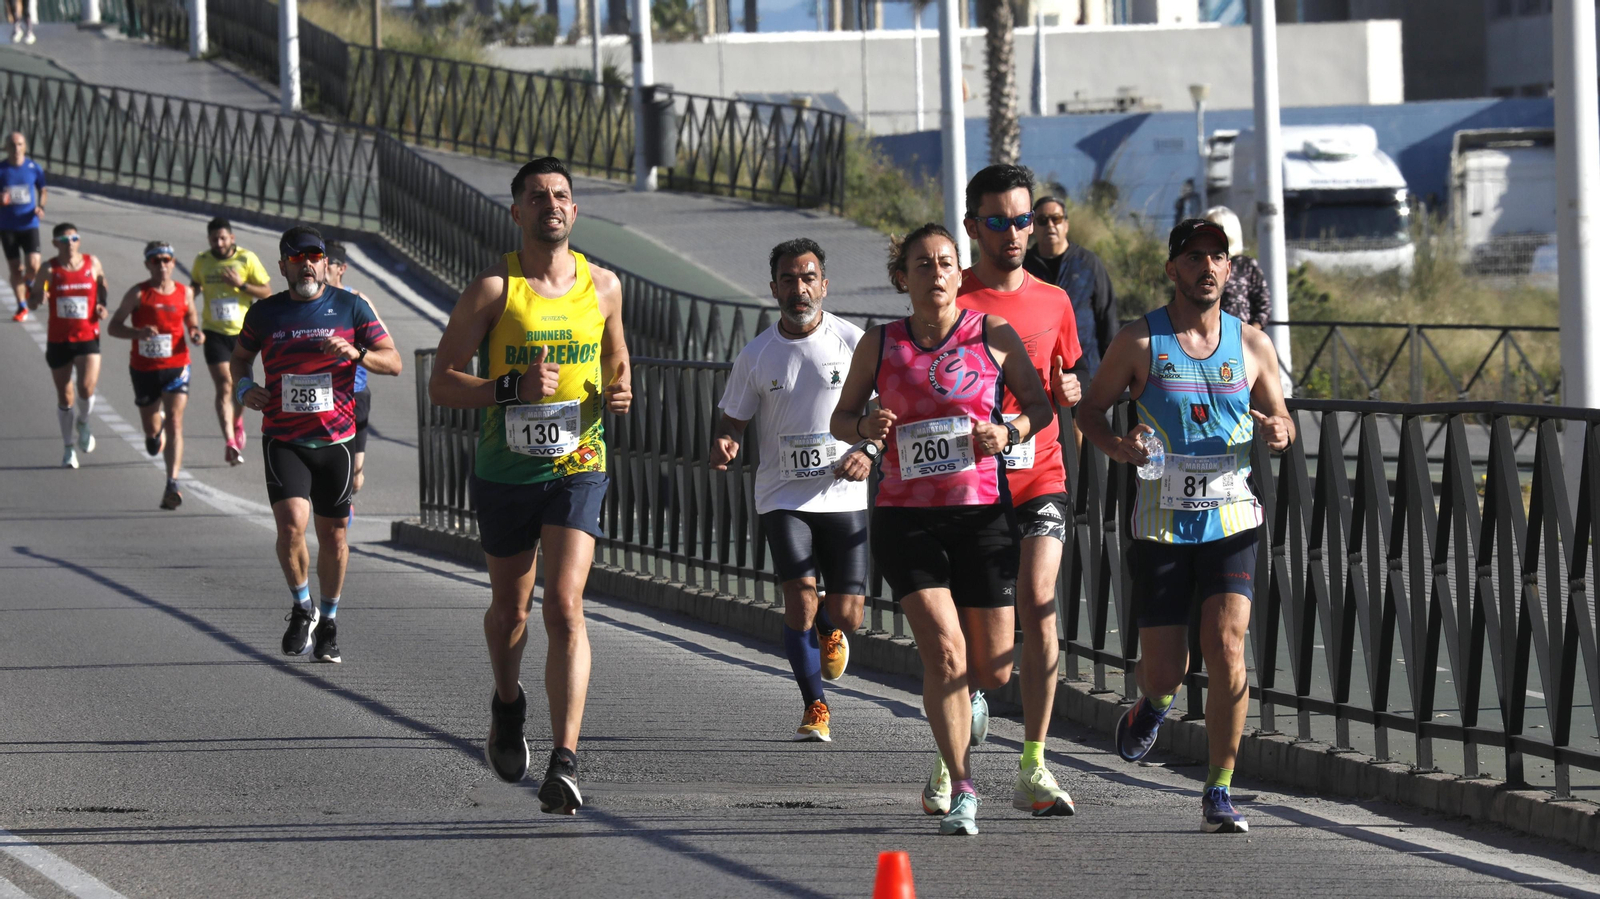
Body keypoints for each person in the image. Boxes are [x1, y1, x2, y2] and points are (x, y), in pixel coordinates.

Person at [830, 222, 1053, 836]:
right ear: (902, 277)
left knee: (994, 669)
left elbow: (1040, 407)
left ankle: (968, 708)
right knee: (945, 651)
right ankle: (963, 786)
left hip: (982, 512)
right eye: (922, 264)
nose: (935, 273)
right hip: (907, 517)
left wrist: (1007, 433)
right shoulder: (881, 343)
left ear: (961, 274)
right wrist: (864, 428)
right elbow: (842, 417)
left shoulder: (993, 335)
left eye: (946, 262)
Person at [427, 156, 632, 816]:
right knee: (510, 612)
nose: (552, 203)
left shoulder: (604, 286)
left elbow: (616, 357)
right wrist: (507, 388)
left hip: (579, 463)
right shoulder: (493, 289)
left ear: (575, 212)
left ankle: (565, 759)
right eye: (538, 195)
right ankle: (507, 703)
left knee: (564, 606)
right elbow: (442, 380)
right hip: (506, 469)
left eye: (563, 195)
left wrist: (621, 388)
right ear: (517, 212)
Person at [1078, 218, 1294, 834]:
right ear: (1173, 269)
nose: (1207, 267)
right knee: (1166, 669)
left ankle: (1220, 788)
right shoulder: (1139, 342)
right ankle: (1155, 701)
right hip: (1162, 525)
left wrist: (1279, 432)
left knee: (1228, 648)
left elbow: (1281, 419)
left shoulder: (1252, 344)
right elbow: (1089, 411)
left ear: (1229, 269)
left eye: (1217, 257)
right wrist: (1119, 446)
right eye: (1194, 257)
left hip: (1232, 517)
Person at [956, 165, 1083, 818]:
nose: (1014, 233)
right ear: (974, 225)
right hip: (973, 484)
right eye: (999, 221)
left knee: (1039, 598)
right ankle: (959, 731)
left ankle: (1033, 760)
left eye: (1023, 220)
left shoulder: (1054, 301)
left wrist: (1071, 393)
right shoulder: (954, 300)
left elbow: (1069, 375)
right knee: (991, 654)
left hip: (1042, 474)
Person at [711, 238, 871, 743]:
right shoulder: (757, 354)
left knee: (848, 613)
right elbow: (731, 418)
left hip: (844, 493)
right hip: (783, 496)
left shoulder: (854, 342)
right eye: (788, 280)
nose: (798, 289)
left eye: (808, 278)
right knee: (798, 599)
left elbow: (891, 412)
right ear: (774, 287)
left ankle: (830, 622)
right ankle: (815, 705)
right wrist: (725, 440)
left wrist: (868, 453)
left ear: (824, 284)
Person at [232, 226, 401, 666]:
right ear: (283, 264)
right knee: (290, 526)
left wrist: (355, 353)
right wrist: (245, 387)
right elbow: (238, 359)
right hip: (284, 437)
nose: (307, 263)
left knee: (334, 536)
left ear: (326, 262)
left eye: (315, 255)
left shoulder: (351, 306)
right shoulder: (265, 312)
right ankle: (301, 605)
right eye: (297, 256)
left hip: (336, 442)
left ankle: (328, 620)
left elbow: (394, 362)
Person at [107, 242, 202, 510]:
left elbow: (192, 320)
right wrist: (137, 334)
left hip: (178, 366)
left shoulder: (184, 293)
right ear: (148, 265)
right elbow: (113, 327)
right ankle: (153, 432)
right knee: (152, 434)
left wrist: (195, 332)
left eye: (166, 260)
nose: (162, 265)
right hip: (144, 370)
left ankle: (172, 483)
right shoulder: (138, 293)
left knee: (175, 421)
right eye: (156, 261)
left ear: (173, 263)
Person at [192, 217, 273, 465]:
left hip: (242, 334)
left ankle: (237, 420)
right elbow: (191, 291)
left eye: (223, 237)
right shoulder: (202, 261)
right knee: (224, 386)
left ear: (232, 238)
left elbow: (266, 291)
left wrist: (242, 284)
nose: (219, 242)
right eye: (214, 238)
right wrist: (188, 320)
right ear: (209, 240)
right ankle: (229, 440)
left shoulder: (246, 259)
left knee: (239, 384)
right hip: (214, 332)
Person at [29, 222, 106, 469]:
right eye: (64, 240)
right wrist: (38, 298)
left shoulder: (92, 263)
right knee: (65, 396)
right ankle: (68, 448)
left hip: (88, 336)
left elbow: (102, 284)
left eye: (74, 238)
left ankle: (83, 422)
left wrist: (102, 304)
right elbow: (31, 302)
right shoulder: (48, 269)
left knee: (85, 388)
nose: (69, 243)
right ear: (55, 243)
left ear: (79, 241)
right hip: (59, 339)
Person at [1022, 196, 1117, 382]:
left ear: (1066, 224)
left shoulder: (1088, 263)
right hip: (1037, 375)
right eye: (1042, 220)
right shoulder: (1023, 267)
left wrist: (1112, 370)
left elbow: (1107, 317)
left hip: (1086, 371)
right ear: (1032, 227)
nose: (1050, 225)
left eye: (1056, 219)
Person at [324, 240, 381, 502]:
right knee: (329, 465)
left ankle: (345, 499)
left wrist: (357, 350)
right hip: (323, 395)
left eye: (329, 262)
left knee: (355, 474)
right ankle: (336, 512)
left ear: (341, 268)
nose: (322, 266)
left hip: (355, 392)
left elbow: (384, 345)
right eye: (319, 259)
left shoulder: (357, 300)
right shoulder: (306, 301)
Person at [1, 132, 45, 322]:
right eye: (12, 145)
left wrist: (40, 207)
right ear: (6, 147)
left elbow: (42, 189)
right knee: (15, 269)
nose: (16, 149)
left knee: (34, 265)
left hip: (29, 224)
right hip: (7, 226)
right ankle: (21, 306)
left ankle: (30, 282)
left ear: (25, 147)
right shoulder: (1, 169)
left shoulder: (33, 168)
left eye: (20, 144)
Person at [1205, 206, 1271, 330]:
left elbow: (1264, 307)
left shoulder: (1246, 266)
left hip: (1239, 341)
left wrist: (1247, 337)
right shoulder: (1195, 266)